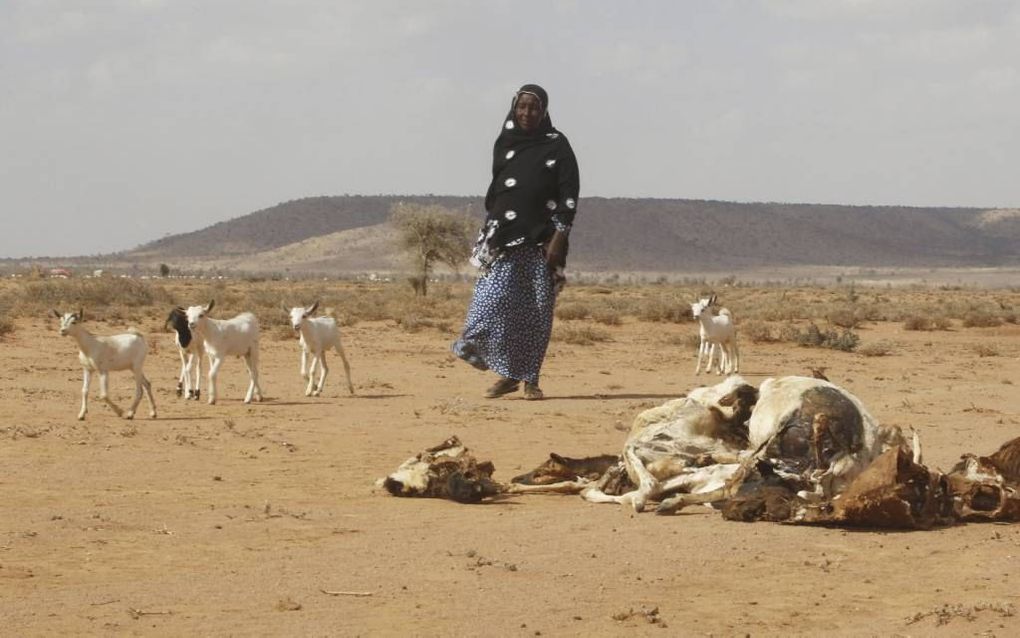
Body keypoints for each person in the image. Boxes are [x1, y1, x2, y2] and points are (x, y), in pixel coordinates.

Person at [452, 83, 580, 400]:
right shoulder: (506, 141)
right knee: (489, 305)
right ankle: (505, 368)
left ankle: (526, 379)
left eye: (534, 107)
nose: (527, 113)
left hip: (543, 242)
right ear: (514, 107)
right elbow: (499, 188)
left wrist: (559, 237)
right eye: (522, 106)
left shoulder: (557, 144)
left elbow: (569, 193)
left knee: (536, 312)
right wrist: (492, 227)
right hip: (503, 239)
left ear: (544, 111)